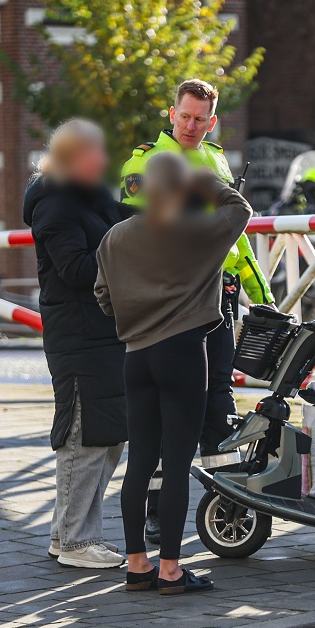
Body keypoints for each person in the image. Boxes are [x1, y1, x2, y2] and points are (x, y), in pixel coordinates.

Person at [120, 79, 274, 544]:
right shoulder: (143, 161)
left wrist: (260, 295)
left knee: (218, 404)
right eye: (184, 116)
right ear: (171, 114)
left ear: (212, 121)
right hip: (174, 301)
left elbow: (237, 237)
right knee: (166, 411)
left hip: (220, 298)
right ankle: (156, 514)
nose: (191, 126)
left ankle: (227, 504)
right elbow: (133, 232)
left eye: (200, 119)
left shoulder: (215, 158)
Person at [96, 152, 253, 594]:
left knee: (140, 463)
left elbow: (102, 295)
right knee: (178, 463)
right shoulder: (196, 231)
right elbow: (240, 209)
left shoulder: (114, 238)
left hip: (136, 356)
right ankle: (170, 570)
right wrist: (205, 180)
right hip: (184, 352)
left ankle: (136, 566)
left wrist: (135, 317)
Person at [22, 119, 133, 569]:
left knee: (107, 438)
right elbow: (78, 270)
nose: (104, 161)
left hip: (104, 333)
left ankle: (67, 534)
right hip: (79, 337)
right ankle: (74, 542)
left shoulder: (91, 198)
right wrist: (130, 254)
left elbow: (126, 222)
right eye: (95, 154)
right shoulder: (56, 206)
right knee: (83, 437)